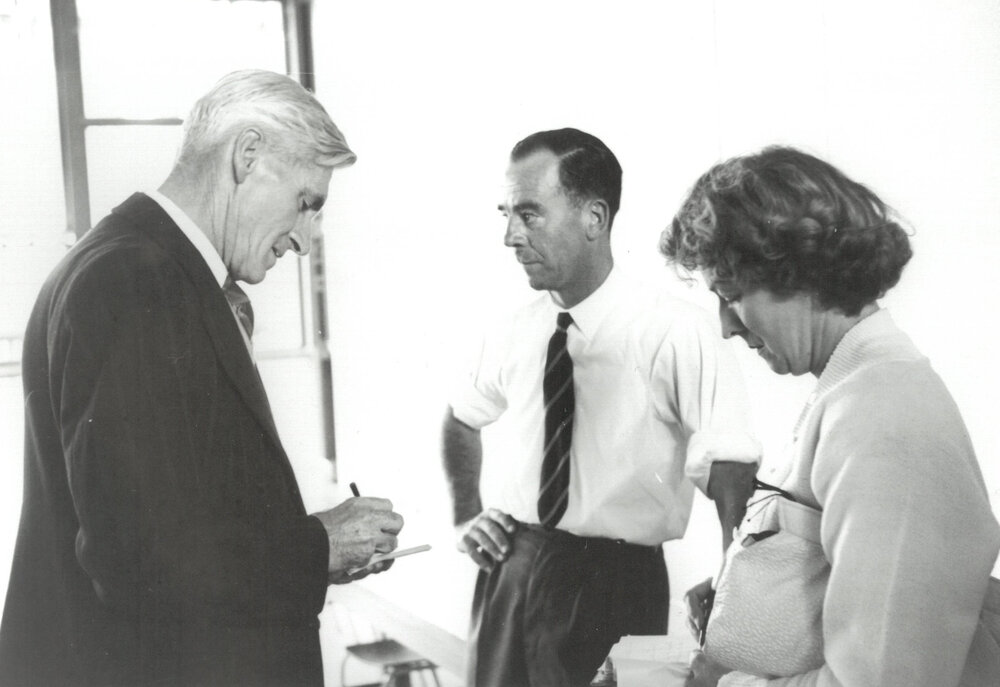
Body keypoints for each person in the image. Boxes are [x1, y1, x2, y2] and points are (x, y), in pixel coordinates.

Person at [0, 70, 405, 687]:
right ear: (248, 154)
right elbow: (144, 558)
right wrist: (317, 546)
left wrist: (315, 550)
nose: (305, 239)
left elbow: (183, 511)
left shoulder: (135, 265)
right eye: (306, 202)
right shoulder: (136, 281)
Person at [662, 146, 1000, 687]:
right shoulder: (853, 388)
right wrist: (744, 591)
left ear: (799, 273)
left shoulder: (884, 416)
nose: (726, 326)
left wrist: (722, 682)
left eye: (730, 295)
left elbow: (884, 682)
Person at [442, 127, 761, 687]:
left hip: (615, 583)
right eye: (506, 215)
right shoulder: (513, 328)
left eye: (529, 214)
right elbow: (461, 419)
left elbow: (730, 466)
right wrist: (466, 513)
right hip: (512, 569)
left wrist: (737, 602)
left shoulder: (675, 331)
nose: (510, 236)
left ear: (594, 217)